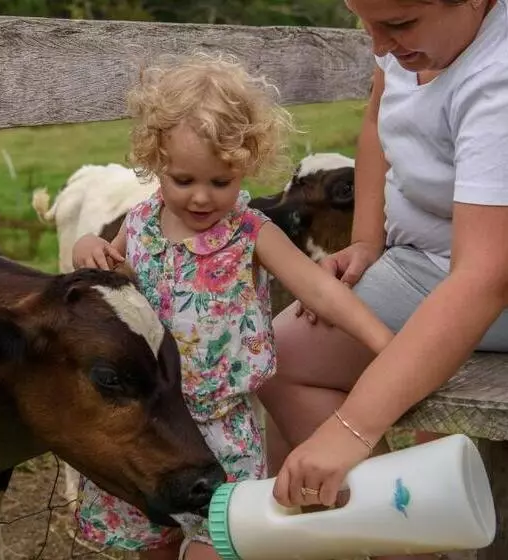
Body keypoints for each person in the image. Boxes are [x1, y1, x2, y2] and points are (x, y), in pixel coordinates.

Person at [70, 52, 396, 560]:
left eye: (220, 182)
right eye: (184, 181)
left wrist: (385, 344)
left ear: (245, 165)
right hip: (152, 427)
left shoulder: (250, 233)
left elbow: (319, 289)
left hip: (223, 430)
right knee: (153, 544)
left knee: (219, 545)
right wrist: (85, 244)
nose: (201, 198)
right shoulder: (138, 228)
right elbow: (106, 278)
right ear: (156, 161)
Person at [257, 0, 508, 558]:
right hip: (430, 262)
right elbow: (377, 123)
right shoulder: (410, 42)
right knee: (269, 356)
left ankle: (404, 533)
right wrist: (367, 240)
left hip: (485, 279)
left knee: (294, 369)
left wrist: (350, 430)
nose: (376, 45)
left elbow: (485, 277)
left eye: (396, 24)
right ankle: (406, 532)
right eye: (363, 22)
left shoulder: (498, 79)